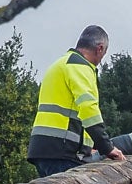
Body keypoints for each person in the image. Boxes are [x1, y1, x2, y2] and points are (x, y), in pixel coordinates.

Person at [27, 25, 125, 176]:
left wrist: (88, 148)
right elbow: (88, 109)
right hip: (62, 151)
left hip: (44, 149)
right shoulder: (80, 66)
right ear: (99, 48)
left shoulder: (61, 63)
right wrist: (107, 148)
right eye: (103, 54)